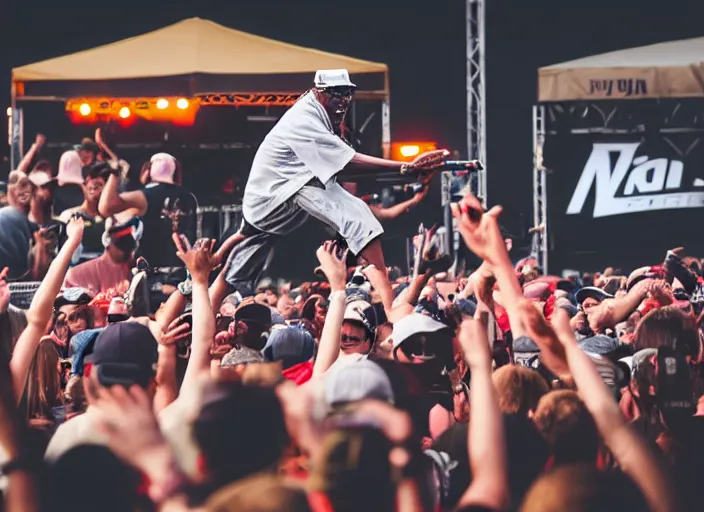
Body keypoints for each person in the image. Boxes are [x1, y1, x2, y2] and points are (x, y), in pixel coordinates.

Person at [217, 69, 442, 310]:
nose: (343, 100)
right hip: (277, 196)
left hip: (282, 199)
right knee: (358, 216)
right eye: (335, 94)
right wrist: (405, 168)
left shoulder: (323, 119)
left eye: (347, 93)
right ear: (318, 92)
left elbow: (371, 201)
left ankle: (205, 303)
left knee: (231, 278)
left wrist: (410, 186)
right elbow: (346, 164)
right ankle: (387, 301)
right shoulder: (304, 119)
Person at [98, 152, 198, 297]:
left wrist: (114, 173)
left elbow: (105, 208)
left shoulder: (146, 196)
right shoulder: (189, 198)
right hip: (183, 273)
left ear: (149, 170)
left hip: (152, 275)